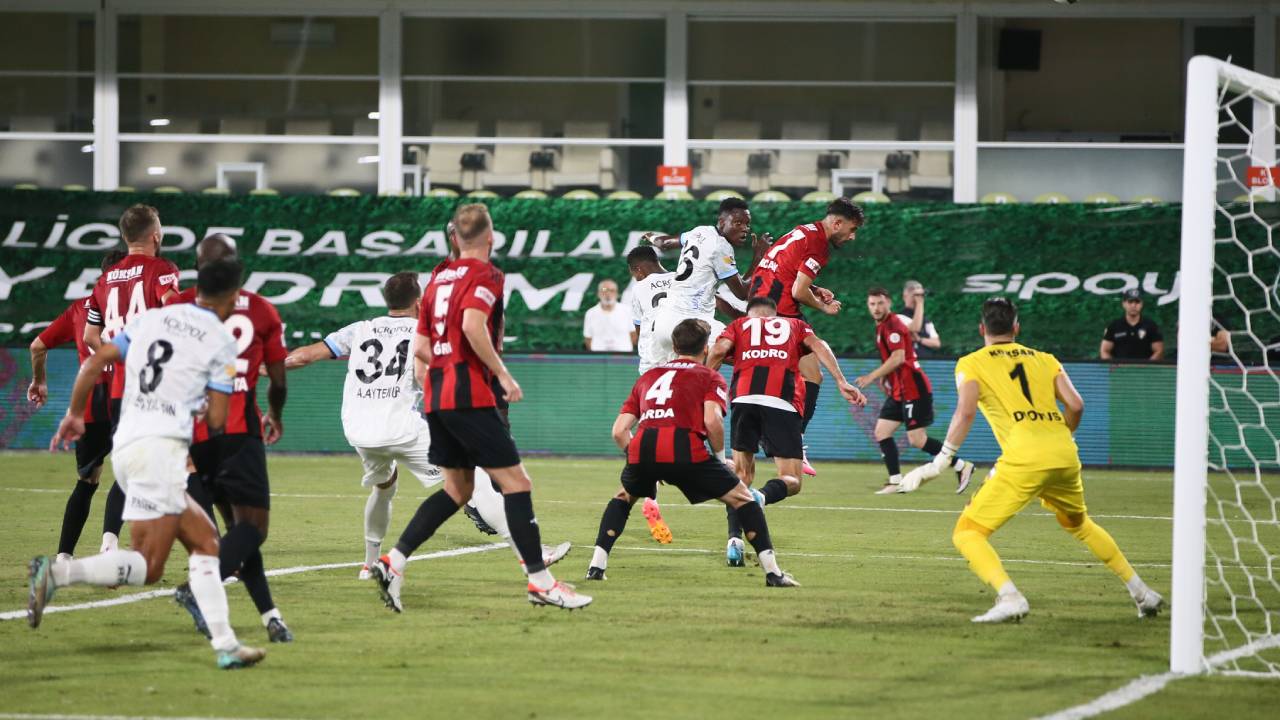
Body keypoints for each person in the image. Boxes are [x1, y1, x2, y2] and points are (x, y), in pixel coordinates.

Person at [32, 258, 266, 669]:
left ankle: (226, 645)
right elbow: (216, 418)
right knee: (151, 565)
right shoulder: (220, 340)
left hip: (126, 447)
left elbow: (92, 360)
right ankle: (57, 575)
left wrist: (72, 414)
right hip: (161, 451)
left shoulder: (152, 320)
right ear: (233, 296)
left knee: (207, 544)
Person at [368, 204, 590, 612]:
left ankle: (392, 562)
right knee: (516, 483)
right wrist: (502, 375)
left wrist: (439, 374)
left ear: (455, 237)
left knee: (457, 489)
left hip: (437, 396)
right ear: (491, 238)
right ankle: (541, 583)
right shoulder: (487, 274)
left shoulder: (434, 281)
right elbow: (472, 326)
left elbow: (420, 348)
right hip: (469, 394)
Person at [897, 297, 1165, 623]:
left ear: (982, 329)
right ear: (1016, 328)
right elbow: (1076, 405)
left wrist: (941, 461)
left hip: (1024, 457)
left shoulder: (972, 362)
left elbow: (965, 411)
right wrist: (1060, 437)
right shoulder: (1045, 359)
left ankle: (1010, 597)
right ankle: (1142, 592)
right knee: (1079, 524)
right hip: (1064, 452)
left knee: (967, 533)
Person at [285, 272, 569, 579]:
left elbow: (304, 356)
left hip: (358, 430)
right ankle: (533, 556)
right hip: (401, 428)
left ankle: (369, 565)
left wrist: (268, 366)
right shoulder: (426, 332)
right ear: (420, 302)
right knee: (473, 481)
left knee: (383, 488)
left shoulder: (360, 329)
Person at [584, 318, 799, 587]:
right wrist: (720, 461)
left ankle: (596, 567)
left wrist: (641, 457)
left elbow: (619, 431)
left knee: (623, 497)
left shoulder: (648, 377)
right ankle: (773, 573)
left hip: (642, 447)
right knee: (744, 498)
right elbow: (712, 422)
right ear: (706, 349)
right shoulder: (710, 376)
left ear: (674, 346)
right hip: (684, 448)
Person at [166, 235, 293, 644]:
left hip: (190, 437)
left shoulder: (175, 307)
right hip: (237, 430)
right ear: (236, 265)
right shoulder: (259, 308)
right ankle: (196, 592)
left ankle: (272, 617)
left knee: (235, 531)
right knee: (254, 527)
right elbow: (277, 378)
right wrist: (274, 413)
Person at [707, 297, 867, 565]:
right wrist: (841, 380)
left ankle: (734, 539)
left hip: (743, 401)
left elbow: (718, 350)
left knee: (741, 474)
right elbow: (819, 345)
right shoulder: (794, 325)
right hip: (781, 403)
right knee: (791, 480)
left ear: (751, 315)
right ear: (775, 314)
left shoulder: (738, 325)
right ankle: (761, 497)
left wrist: (702, 384)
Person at [83, 204, 181, 552]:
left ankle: (112, 543)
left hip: (118, 388)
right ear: (155, 236)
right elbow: (172, 309)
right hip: (153, 385)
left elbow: (90, 337)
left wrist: (116, 357)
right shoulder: (162, 269)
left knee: (135, 466)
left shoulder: (106, 278)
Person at [748, 197, 865, 475]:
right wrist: (823, 305)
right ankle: (792, 441)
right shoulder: (819, 245)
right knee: (812, 375)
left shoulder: (803, 231)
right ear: (836, 223)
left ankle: (774, 437)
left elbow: (787, 272)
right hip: (780, 312)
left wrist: (816, 288)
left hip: (759, 305)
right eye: (851, 229)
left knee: (774, 374)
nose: (852, 236)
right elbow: (798, 291)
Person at [28, 249, 127, 561]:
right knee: (129, 473)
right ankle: (109, 546)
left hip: (89, 402)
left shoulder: (79, 309)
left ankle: (63, 558)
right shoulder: (136, 306)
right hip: (124, 396)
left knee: (87, 481)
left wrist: (39, 381)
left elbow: (37, 346)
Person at [857, 287, 975, 494]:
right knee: (882, 432)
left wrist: (872, 376)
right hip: (899, 391)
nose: (876, 308)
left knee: (917, 439)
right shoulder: (883, 325)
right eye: (872, 304)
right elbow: (913, 328)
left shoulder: (892, 324)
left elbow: (898, 358)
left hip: (913, 388)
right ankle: (895, 481)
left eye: (880, 303)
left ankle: (961, 465)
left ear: (889, 303)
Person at [641, 197, 759, 367]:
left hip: (663, 324)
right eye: (738, 223)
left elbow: (664, 243)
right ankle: (709, 388)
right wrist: (758, 257)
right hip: (691, 325)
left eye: (747, 224)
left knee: (675, 381)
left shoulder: (700, 231)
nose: (744, 229)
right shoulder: (721, 247)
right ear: (721, 221)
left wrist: (652, 237)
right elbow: (743, 293)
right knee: (748, 352)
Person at [624, 244, 678, 544]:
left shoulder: (638, 291)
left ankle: (651, 501)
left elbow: (638, 331)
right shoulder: (681, 279)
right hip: (681, 364)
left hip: (650, 370)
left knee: (649, 434)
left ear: (638, 270)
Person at [1100, 289, 1164, 361]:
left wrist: (1146, 367)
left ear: (1141, 304)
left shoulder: (1151, 325)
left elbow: (1159, 351)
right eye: (1130, 302)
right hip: (1121, 370)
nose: (1133, 305)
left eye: (1137, 302)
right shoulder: (1114, 326)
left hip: (1144, 371)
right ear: (1123, 304)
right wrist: (1112, 365)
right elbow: (1104, 350)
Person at [582, 279, 635, 352]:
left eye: (612, 290)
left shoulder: (628, 311)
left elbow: (634, 334)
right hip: (599, 357)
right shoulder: (590, 313)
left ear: (616, 294)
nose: (608, 293)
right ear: (598, 293)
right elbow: (588, 338)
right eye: (604, 290)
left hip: (623, 357)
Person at [898, 280, 941, 357]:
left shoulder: (926, 320)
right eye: (915, 295)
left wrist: (919, 339)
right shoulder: (898, 317)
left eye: (921, 296)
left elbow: (937, 343)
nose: (918, 299)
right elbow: (915, 327)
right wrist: (920, 304)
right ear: (905, 296)